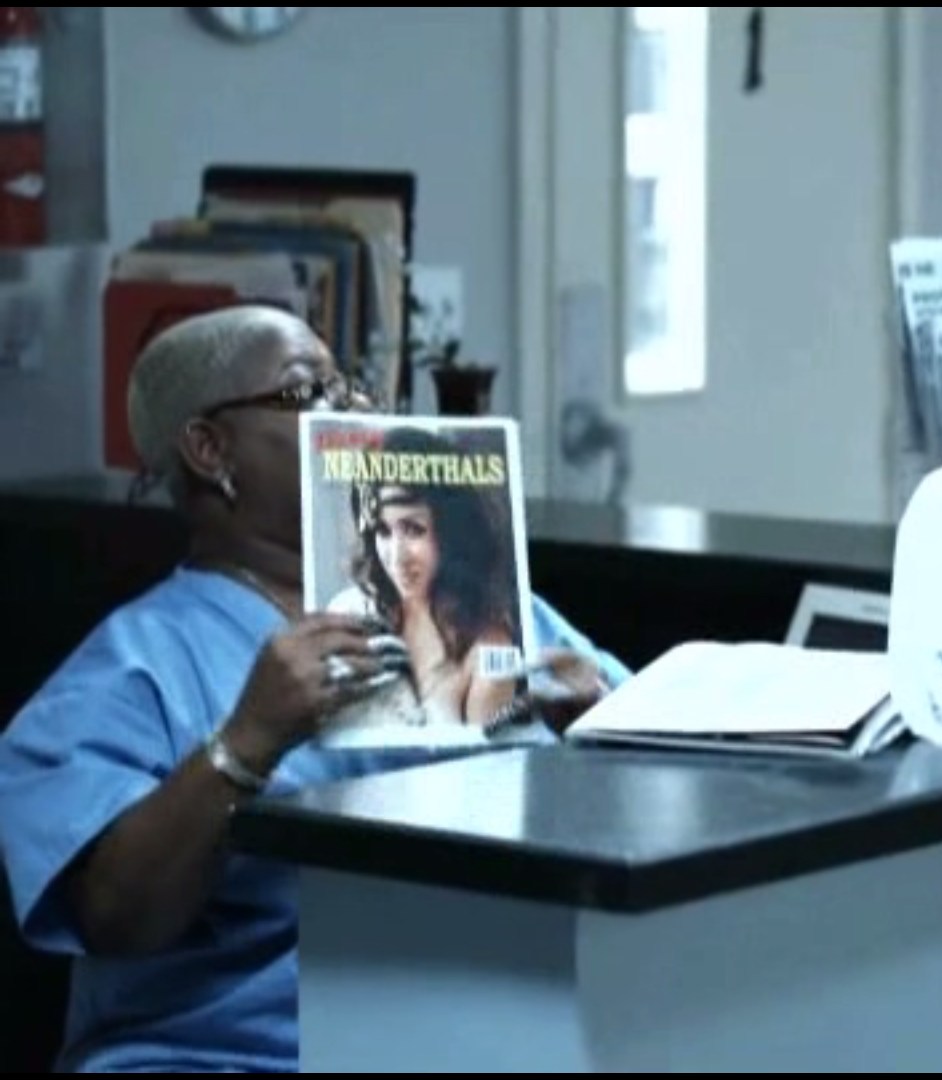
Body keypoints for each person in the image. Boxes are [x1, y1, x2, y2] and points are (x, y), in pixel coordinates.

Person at [0, 305, 630, 1073]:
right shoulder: (139, 664)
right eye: (311, 392)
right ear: (209, 449)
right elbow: (117, 918)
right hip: (230, 1055)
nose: (355, 411)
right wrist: (245, 744)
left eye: (353, 387)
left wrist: (599, 725)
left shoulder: (492, 609)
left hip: (476, 1030)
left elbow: (666, 756)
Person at [326, 426, 524, 729]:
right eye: (382, 531)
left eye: (413, 529)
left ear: (450, 531)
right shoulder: (350, 611)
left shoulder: (489, 652)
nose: (397, 556)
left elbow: (487, 758)